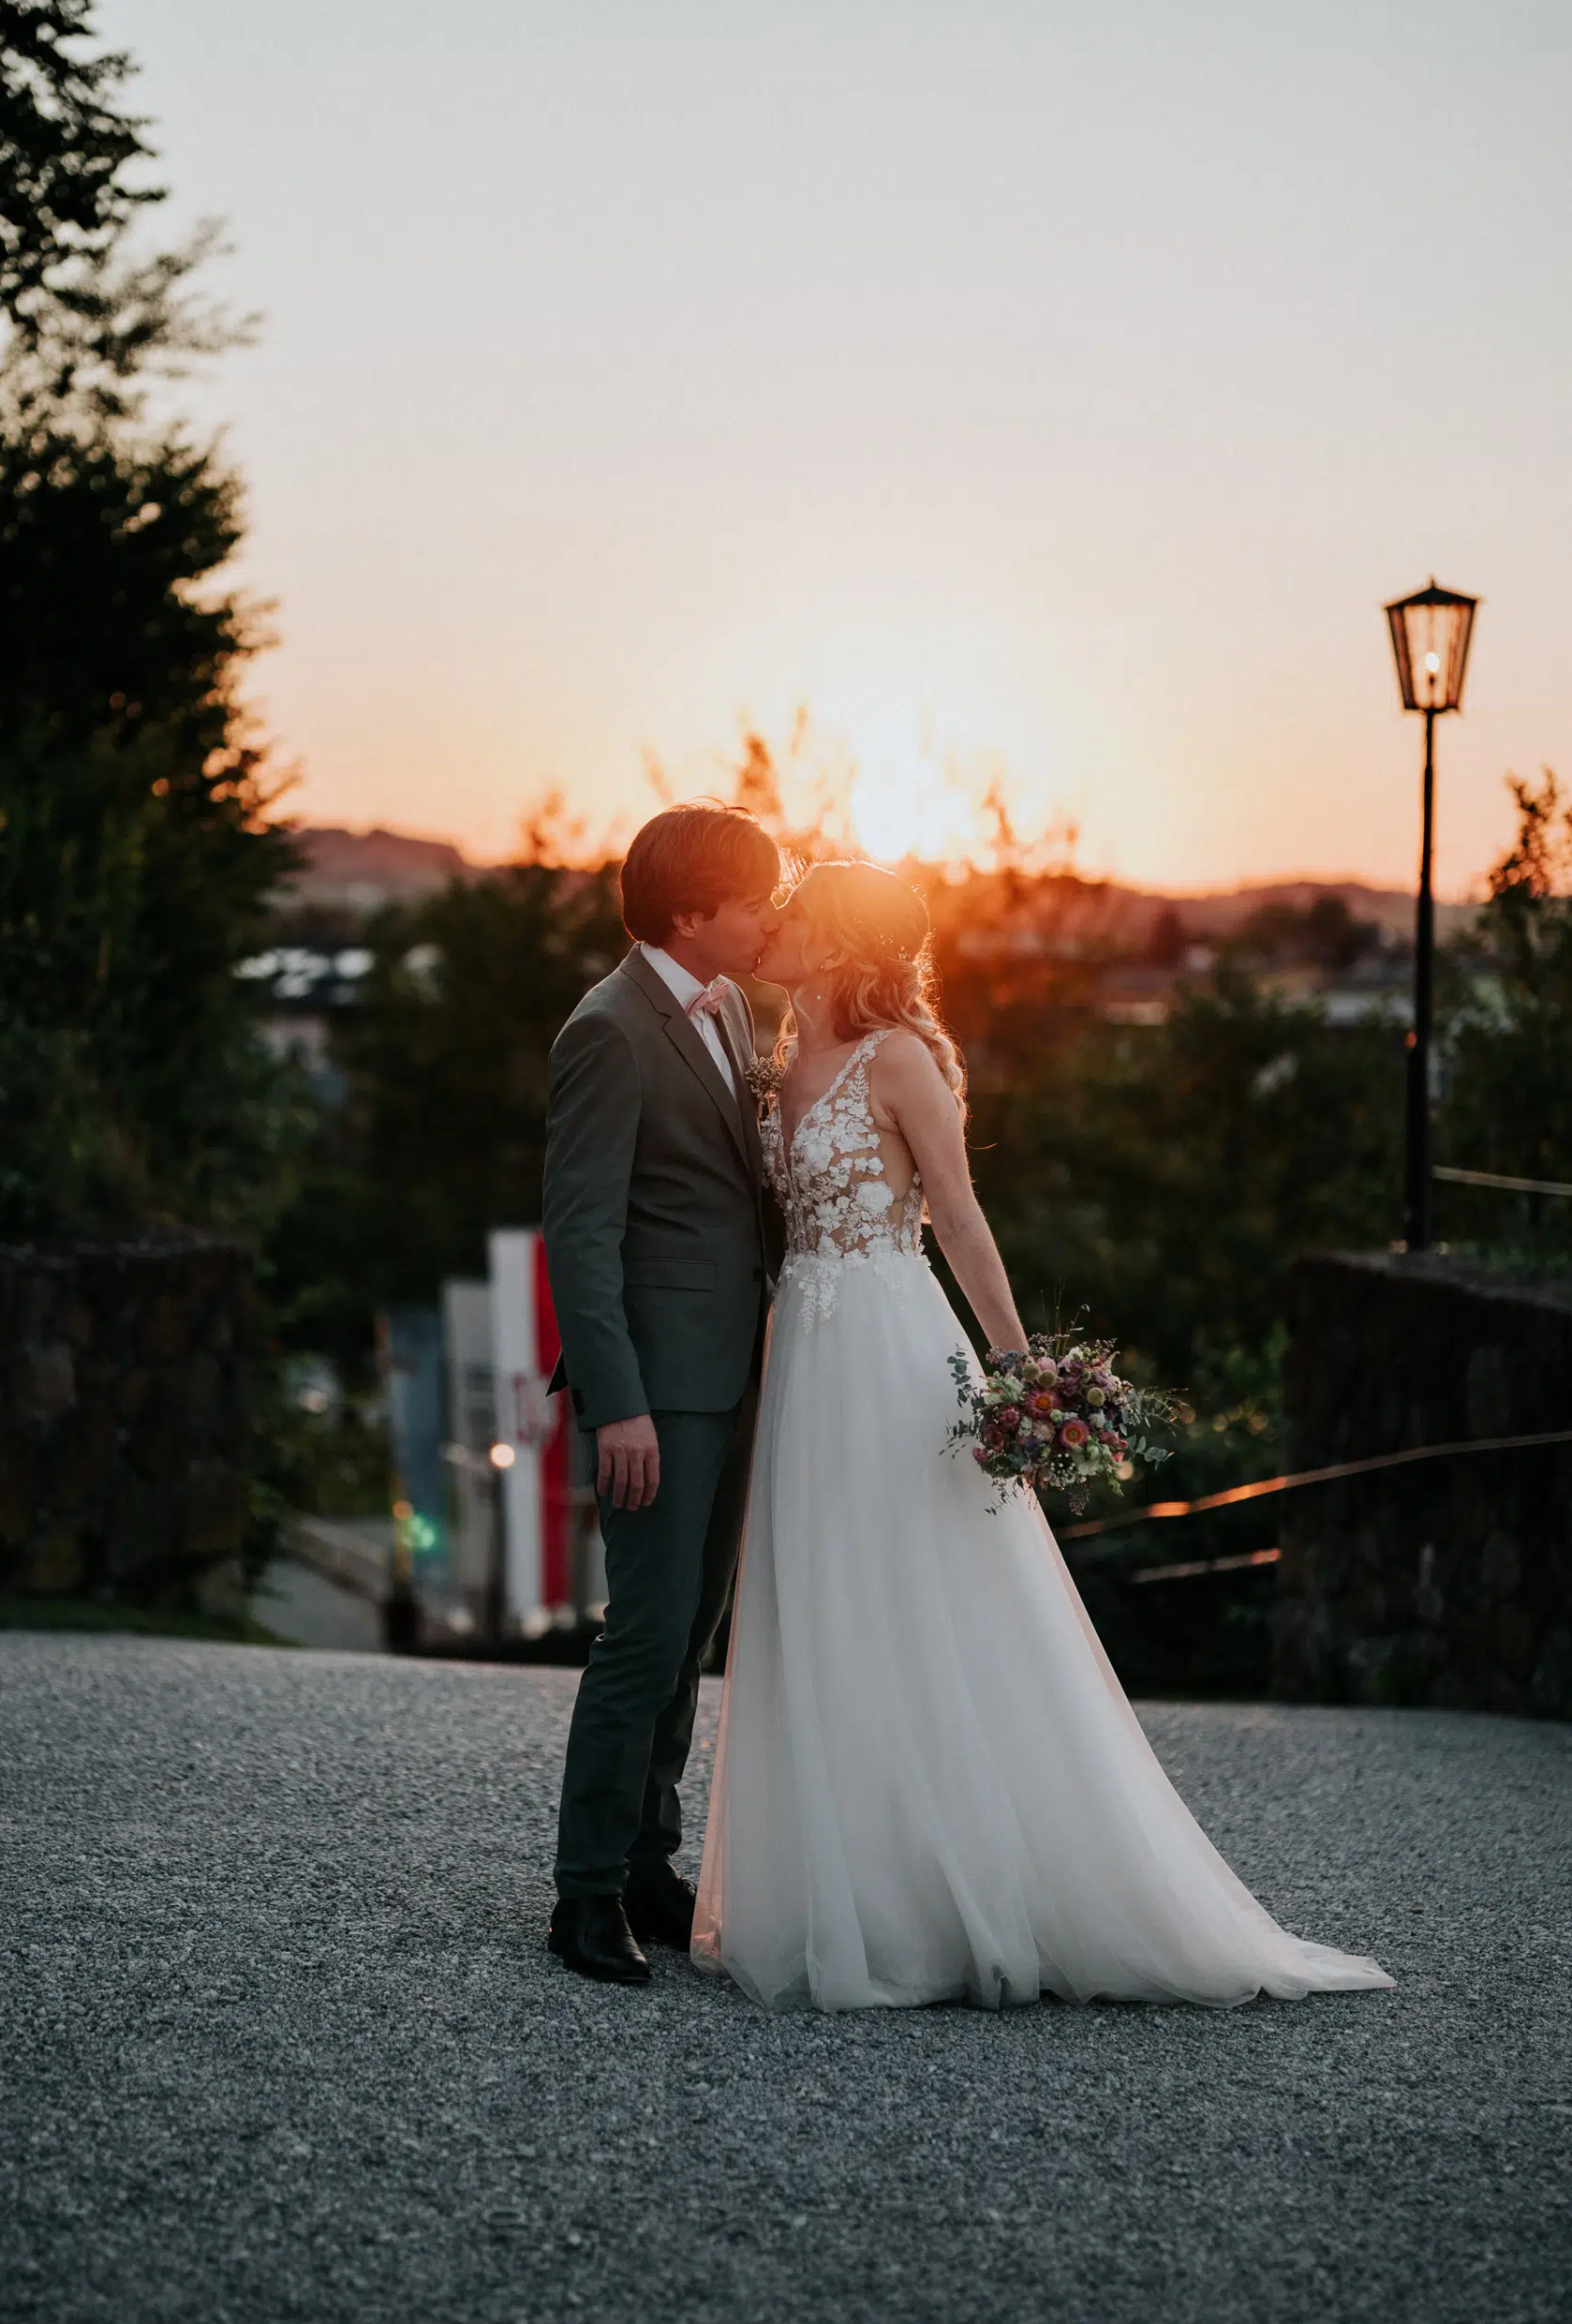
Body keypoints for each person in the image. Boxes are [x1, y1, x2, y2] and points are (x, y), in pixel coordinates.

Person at [691, 859, 1394, 2012]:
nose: (773, 926)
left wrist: (1021, 1373)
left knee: (925, 1599)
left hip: (893, 1351)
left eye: (797, 914)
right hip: (806, 1358)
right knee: (822, 1597)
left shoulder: (901, 1058)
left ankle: (970, 1896)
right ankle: (848, 1889)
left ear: (844, 942)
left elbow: (960, 1220)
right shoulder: (776, 1057)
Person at [542, 802, 782, 1985]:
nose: (769, 913)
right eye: (754, 896)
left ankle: (648, 1857)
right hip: (656, 1391)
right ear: (690, 910)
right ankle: (581, 1896)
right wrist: (616, 1401)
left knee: (688, 1632)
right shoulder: (606, 1030)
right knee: (639, 1635)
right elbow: (578, 1239)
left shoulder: (729, 1003)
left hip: (733, 1370)